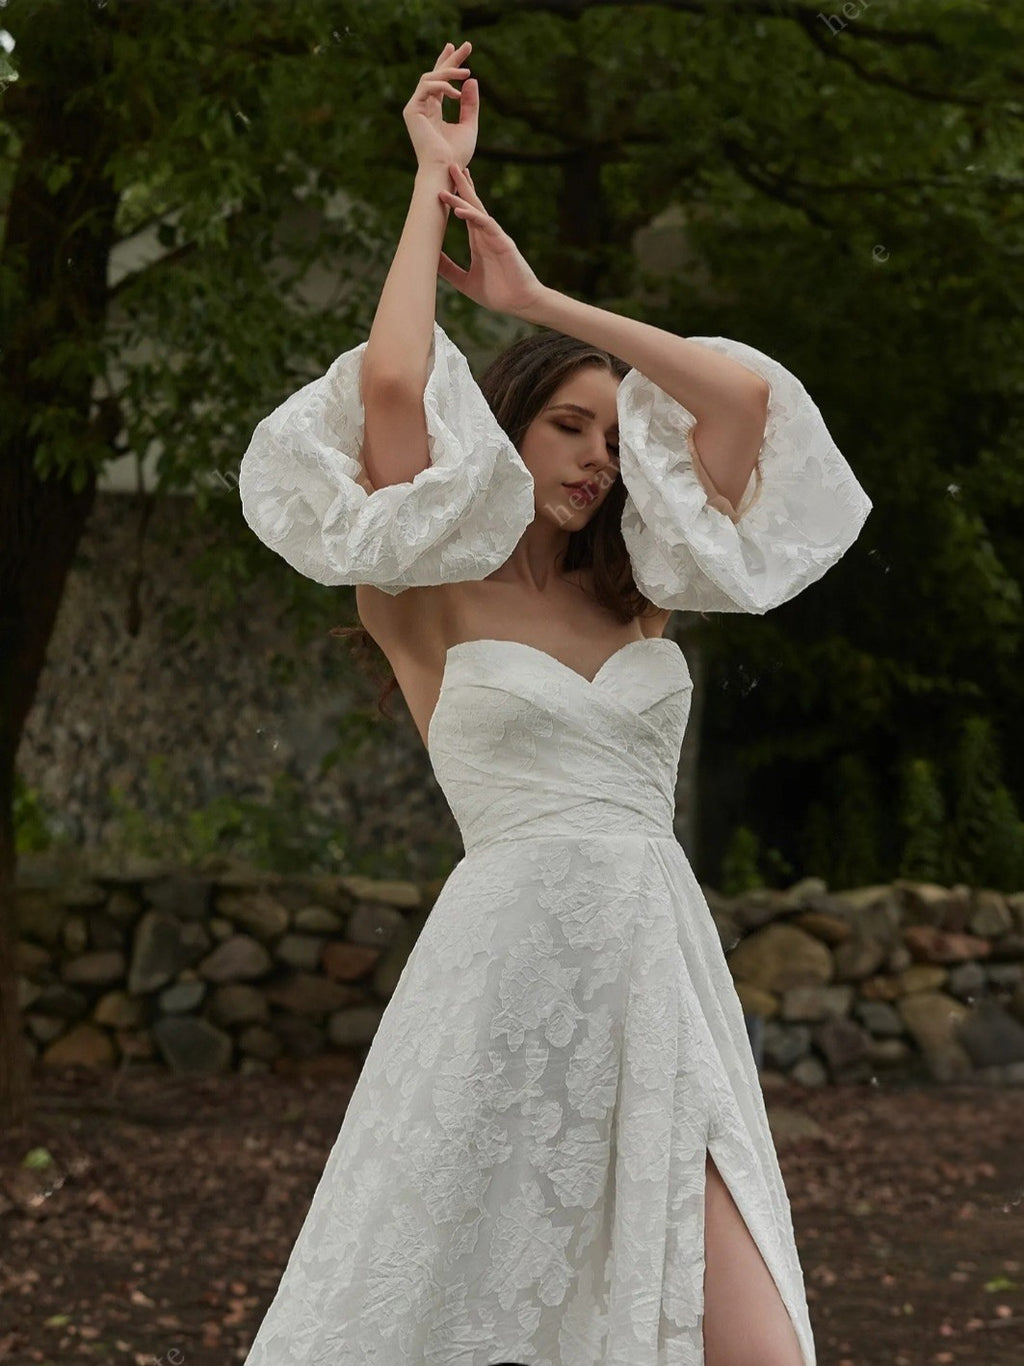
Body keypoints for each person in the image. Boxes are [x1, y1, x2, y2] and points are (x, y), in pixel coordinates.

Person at [237, 38, 872, 1366]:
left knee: (756, 1347)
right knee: (460, 1317)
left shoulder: (638, 595)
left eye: (610, 432)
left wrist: (543, 297)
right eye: (568, 425)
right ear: (510, 426)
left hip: (655, 975)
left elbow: (743, 395)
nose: (599, 456)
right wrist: (434, 178)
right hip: (502, 979)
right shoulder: (427, 596)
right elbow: (398, 383)